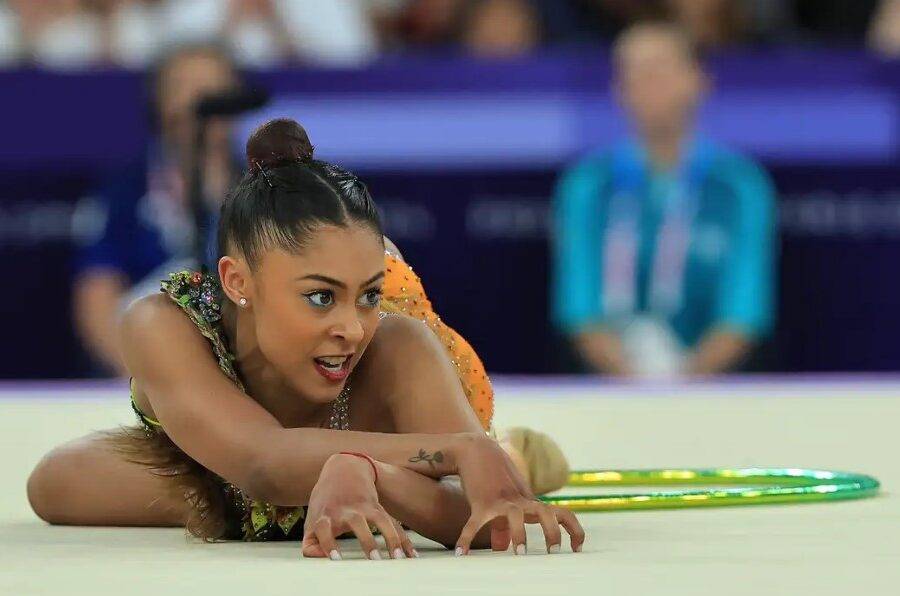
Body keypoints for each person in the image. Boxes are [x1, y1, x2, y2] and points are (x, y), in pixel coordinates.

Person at [28, 119, 584, 560]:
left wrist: (380, 473)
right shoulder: (161, 322)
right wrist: (452, 451)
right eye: (320, 297)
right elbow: (264, 462)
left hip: (389, 424)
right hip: (226, 461)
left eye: (367, 295)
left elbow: (477, 520)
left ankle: (516, 451)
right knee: (55, 484)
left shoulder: (396, 345)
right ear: (237, 281)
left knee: (493, 463)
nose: (351, 326)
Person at [551, 22, 776, 378]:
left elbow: (743, 311)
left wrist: (682, 386)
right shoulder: (588, 184)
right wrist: (635, 383)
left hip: (713, 392)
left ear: (699, 79)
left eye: (661, 69)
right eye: (635, 73)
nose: (649, 85)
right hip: (610, 389)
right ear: (618, 89)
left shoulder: (738, 185)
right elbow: (581, 308)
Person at [73, 44, 241, 375]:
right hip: (143, 373)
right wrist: (148, 386)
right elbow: (96, 303)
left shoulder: (270, 190)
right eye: (184, 87)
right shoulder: (122, 194)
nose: (201, 100)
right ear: (158, 102)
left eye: (214, 87)